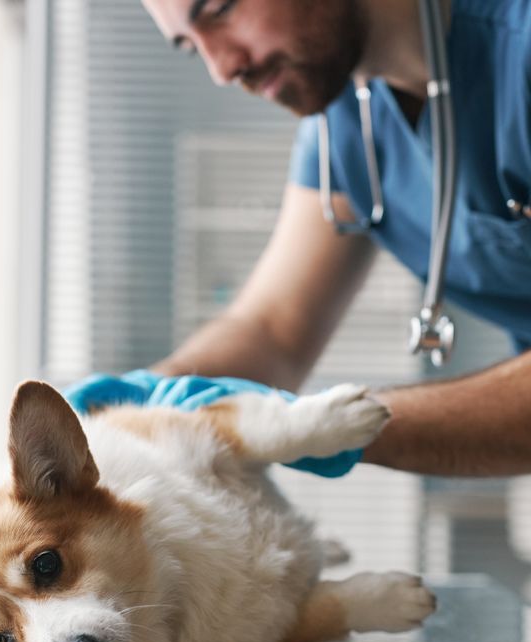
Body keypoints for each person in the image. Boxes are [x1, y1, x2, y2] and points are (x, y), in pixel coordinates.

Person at [68, 0, 531, 478]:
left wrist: (323, 427)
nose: (223, 68)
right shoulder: (348, 120)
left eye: (221, 9)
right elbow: (271, 330)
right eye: (190, 47)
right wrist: (141, 406)